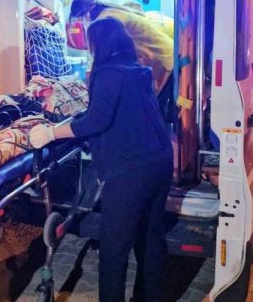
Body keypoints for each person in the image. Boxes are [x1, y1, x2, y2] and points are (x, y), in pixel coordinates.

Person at [29, 18, 174, 302]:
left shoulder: (107, 74)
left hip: (130, 171)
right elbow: (120, 112)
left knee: (113, 249)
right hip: (160, 162)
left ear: (99, 44)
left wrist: (52, 133)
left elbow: (98, 120)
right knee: (150, 238)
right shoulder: (138, 70)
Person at [71, 0, 174, 94]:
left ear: (87, 14)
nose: (83, 22)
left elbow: (104, 57)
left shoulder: (105, 21)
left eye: (81, 18)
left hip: (163, 60)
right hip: (168, 54)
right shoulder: (113, 11)